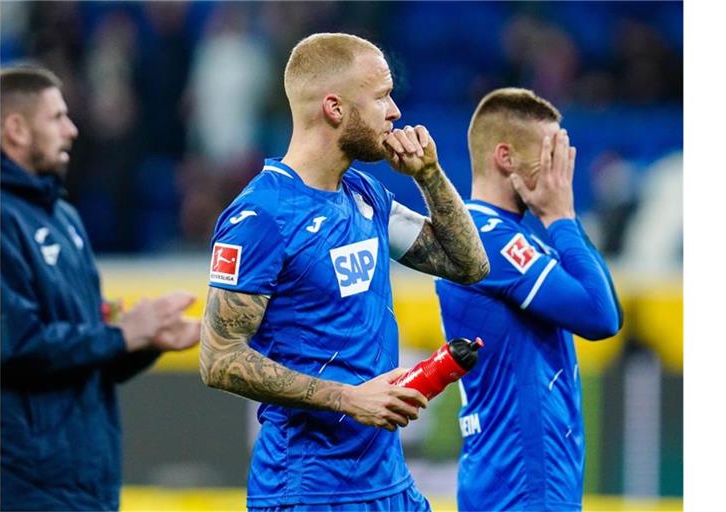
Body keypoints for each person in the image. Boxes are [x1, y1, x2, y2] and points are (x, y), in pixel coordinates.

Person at [199, 33, 489, 511]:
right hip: (308, 488)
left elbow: (469, 265)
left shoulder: (364, 194)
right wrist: (347, 399)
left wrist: (429, 175)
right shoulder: (262, 216)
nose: (395, 111)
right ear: (334, 108)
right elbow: (218, 358)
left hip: (388, 482)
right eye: (381, 97)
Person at [0, 66, 200, 511]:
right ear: (15, 129)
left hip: (88, 480)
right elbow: (13, 348)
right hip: (25, 485)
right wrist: (123, 334)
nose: (71, 130)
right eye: (56, 117)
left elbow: (82, 355)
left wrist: (144, 342)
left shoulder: (63, 216)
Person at [434, 88, 623, 511]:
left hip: (522, 482)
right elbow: (600, 317)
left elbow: (609, 305)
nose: (560, 173)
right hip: (520, 484)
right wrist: (562, 218)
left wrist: (560, 222)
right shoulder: (487, 239)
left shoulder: (514, 237)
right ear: (506, 158)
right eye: (550, 155)